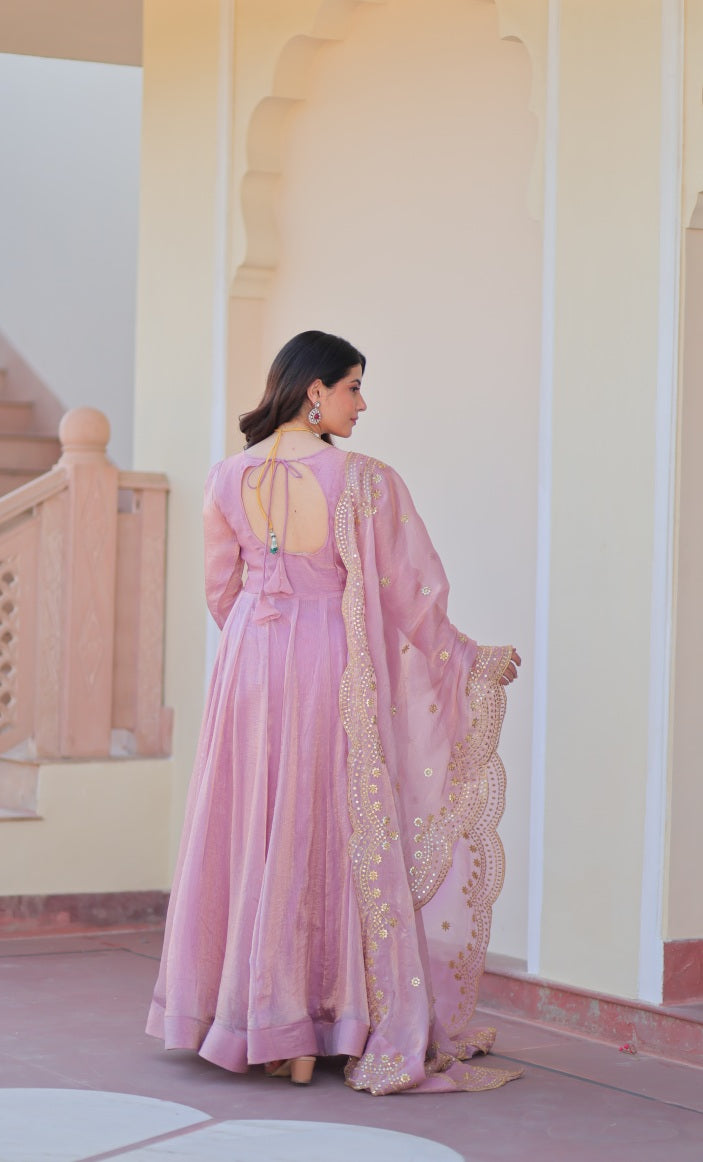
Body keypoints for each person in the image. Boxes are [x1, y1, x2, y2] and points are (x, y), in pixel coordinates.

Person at [147, 331, 521, 1095]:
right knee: (327, 826)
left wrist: (262, 634)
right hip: (328, 660)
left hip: (248, 659)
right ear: (314, 391)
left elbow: (220, 591)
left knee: (253, 822)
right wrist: (465, 657)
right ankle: (321, 1021)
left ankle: (254, 1020)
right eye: (352, 385)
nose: (362, 402)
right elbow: (409, 595)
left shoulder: (226, 476)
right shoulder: (362, 481)